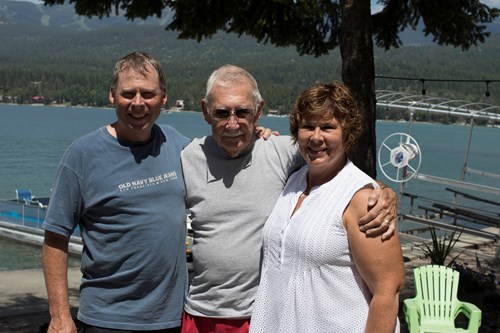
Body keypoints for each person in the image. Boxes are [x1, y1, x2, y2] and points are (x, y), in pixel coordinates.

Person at [180, 65, 398, 333]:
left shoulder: (282, 154)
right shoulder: (188, 156)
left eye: (243, 112)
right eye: (222, 113)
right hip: (204, 313)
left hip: (257, 315)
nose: (232, 123)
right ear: (206, 112)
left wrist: (384, 191)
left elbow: (344, 175)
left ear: (259, 112)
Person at [42, 51, 189, 332]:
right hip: (106, 320)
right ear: (112, 95)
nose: (138, 104)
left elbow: (223, 159)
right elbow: (54, 238)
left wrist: (260, 139)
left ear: (163, 97)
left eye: (148, 94)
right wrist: (60, 316)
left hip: (172, 319)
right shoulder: (82, 155)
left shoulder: (177, 143)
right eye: (128, 93)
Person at [249, 81, 406, 332]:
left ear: (348, 133)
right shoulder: (294, 181)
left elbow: (388, 291)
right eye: (308, 126)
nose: (316, 137)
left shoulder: (364, 201)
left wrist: (383, 191)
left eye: (328, 127)